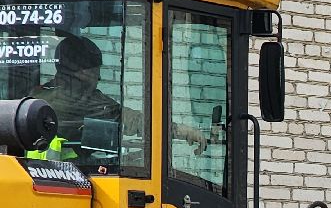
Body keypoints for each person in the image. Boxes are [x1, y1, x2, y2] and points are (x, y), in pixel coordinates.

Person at [28, 35, 207, 156]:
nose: (98, 78)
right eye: (94, 72)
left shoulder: (37, 96)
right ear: (80, 72)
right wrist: (182, 131)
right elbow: (130, 120)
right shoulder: (86, 102)